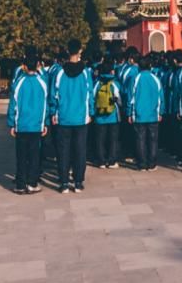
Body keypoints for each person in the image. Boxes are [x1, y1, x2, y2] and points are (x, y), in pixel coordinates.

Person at [48, 39, 93, 193]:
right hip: (81, 117)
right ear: (80, 51)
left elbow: (54, 95)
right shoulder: (86, 73)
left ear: (68, 51)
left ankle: (64, 182)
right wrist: (90, 112)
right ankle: (78, 181)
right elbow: (89, 94)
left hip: (63, 117)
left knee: (63, 150)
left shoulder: (59, 72)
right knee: (80, 150)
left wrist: (53, 112)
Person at [6, 50, 49, 194]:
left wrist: (11, 123)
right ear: (38, 65)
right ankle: (32, 183)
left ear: (24, 65)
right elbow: (45, 106)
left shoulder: (18, 83)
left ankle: (20, 184)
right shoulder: (42, 83)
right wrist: (45, 123)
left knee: (21, 156)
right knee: (34, 156)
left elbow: (13, 104)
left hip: (21, 125)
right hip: (36, 125)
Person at [90, 60, 123, 169]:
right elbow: (119, 100)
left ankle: (101, 161)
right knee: (113, 139)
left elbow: (93, 98)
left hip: (99, 116)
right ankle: (112, 161)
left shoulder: (97, 83)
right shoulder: (115, 83)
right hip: (113, 116)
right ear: (111, 71)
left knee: (100, 139)